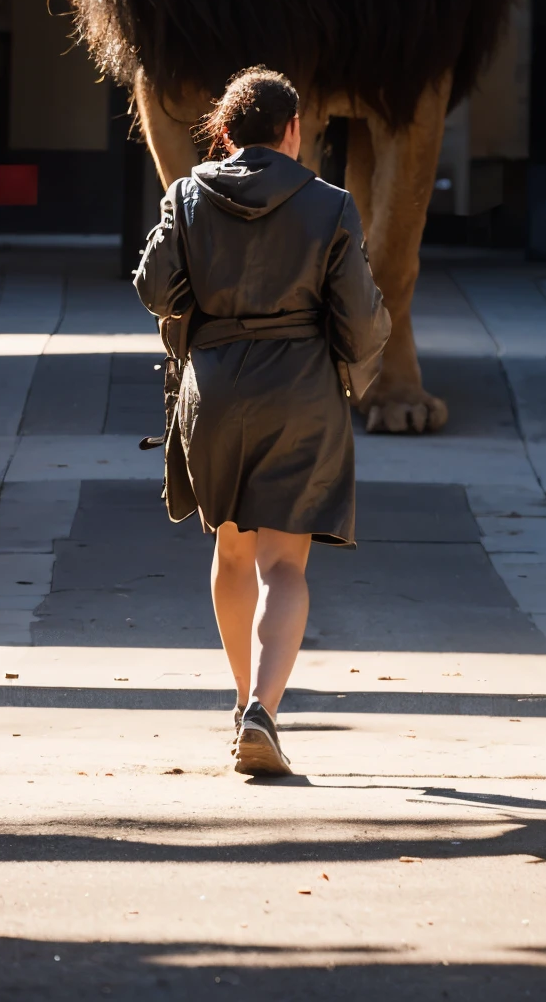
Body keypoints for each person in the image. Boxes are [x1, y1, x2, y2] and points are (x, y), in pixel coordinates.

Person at [133, 68, 390, 777]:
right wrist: (367, 355)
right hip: (300, 391)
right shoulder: (331, 205)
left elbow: (153, 288)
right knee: (285, 563)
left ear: (223, 132)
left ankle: (242, 697)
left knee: (234, 549)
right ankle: (264, 713)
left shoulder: (186, 196)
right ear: (293, 130)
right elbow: (361, 318)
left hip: (213, 392)